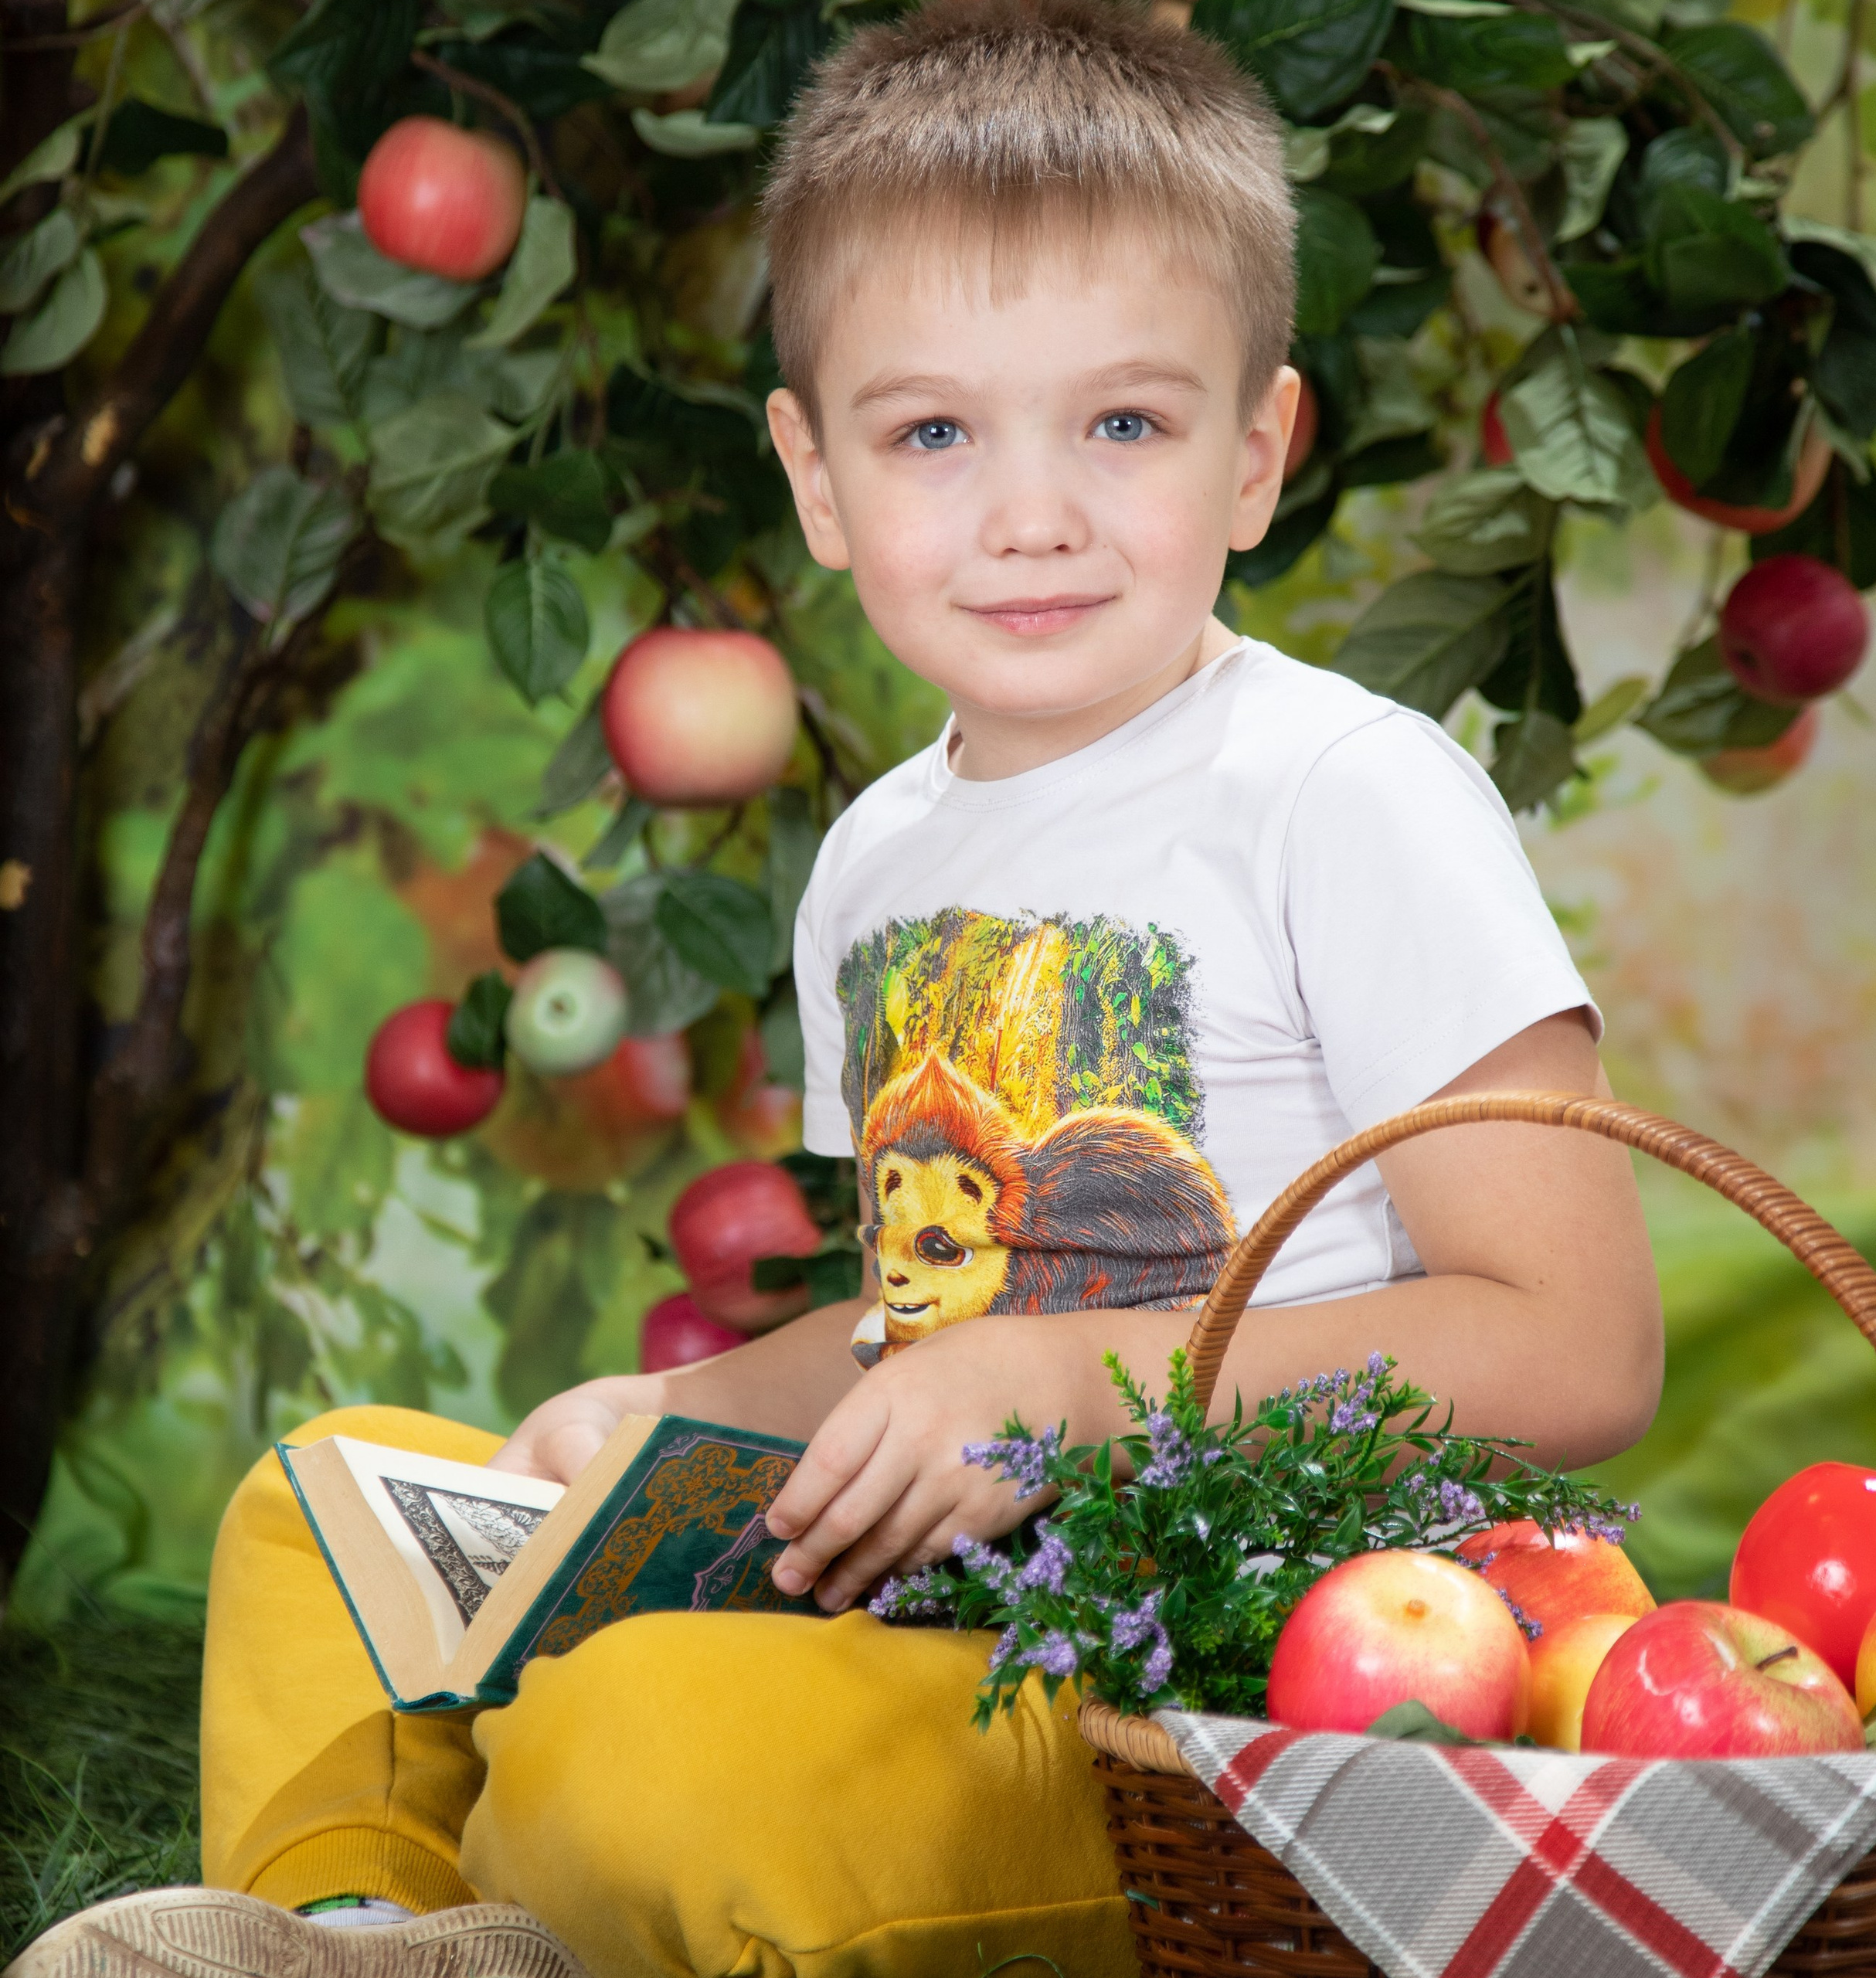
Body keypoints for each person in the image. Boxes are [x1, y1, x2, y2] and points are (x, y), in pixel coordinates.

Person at [15, 3, 1662, 1975]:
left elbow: (1576, 1345)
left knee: (653, 1744)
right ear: (815, 476)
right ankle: (354, 1926)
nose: (1029, 512)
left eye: (1121, 424)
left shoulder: (1341, 793)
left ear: (1254, 451)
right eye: (933, 432)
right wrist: (675, 1405)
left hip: (1206, 1695)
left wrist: (1063, 1388)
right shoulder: (884, 853)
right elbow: (914, 1326)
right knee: (326, 1502)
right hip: (916, 1605)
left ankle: (510, 1890)